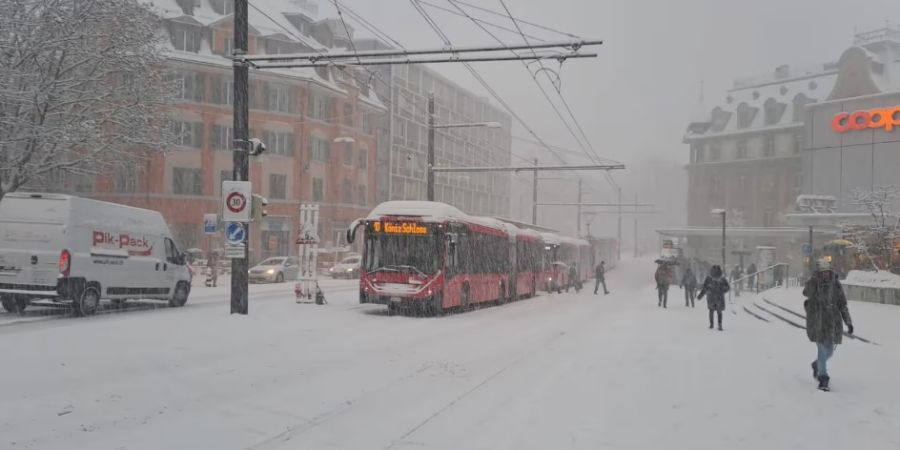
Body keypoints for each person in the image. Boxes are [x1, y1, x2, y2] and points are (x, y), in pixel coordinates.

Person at [803, 259, 853, 392]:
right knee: (822, 350)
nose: (825, 274)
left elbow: (842, 305)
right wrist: (813, 280)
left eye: (827, 272)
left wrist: (848, 322)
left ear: (831, 272)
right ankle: (823, 378)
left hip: (832, 323)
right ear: (819, 272)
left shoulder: (836, 285)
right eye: (823, 272)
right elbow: (806, 293)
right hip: (818, 322)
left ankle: (817, 364)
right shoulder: (814, 283)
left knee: (829, 351)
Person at [698, 265, 730, 330]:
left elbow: (704, 287)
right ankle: (719, 324)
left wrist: (701, 295)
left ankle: (712, 324)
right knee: (718, 311)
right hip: (718, 297)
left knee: (712, 310)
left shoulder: (710, 278)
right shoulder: (721, 278)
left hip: (712, 297)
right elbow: (727, 288)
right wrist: (722, 289)